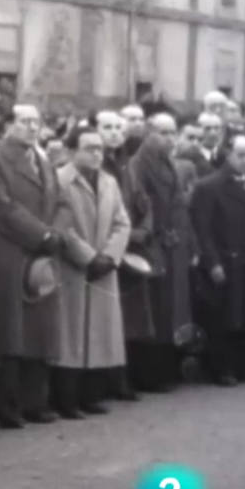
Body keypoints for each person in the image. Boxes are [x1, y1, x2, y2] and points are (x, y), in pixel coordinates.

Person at [0, 104, 66, 428]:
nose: (31, 128)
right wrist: (42, 234)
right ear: (8, 125)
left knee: (39, 329)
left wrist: (53, 234)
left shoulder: (43, 161)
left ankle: (35, 402)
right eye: (24, 122)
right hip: (8, 254)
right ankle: (6, 405)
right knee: (9, 333)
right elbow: (1, 208)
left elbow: (57, 202)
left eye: (36, 122)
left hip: (40, 255)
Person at [51, 126, 129, 418]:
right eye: (89, 148)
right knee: (71, 332)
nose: (97, 154)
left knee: (99, 331)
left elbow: (122, 222)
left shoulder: (109, 182)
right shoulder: (60, 181)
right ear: (72, 151)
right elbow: (61, 226)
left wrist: (109, 256)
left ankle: (90, 394)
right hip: (73, 267)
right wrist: (88, 257)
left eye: (100, 148)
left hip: (104, 267)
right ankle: (66, 398)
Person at [191, 135, 245, 385]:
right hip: (226, 260)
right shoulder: (209, 186)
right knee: (225, 318)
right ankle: (222, 369)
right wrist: (213, 263)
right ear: (227, 155)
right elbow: (203, 230)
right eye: (240, 155)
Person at [127, 111, 196, 392]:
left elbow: (179, 207)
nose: (169, 139)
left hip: (174, 245)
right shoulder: (138, 165)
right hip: (153, 244)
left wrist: (189, 242)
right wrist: (155, 235)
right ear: (149, 132)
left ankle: (167, 368)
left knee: (171, 309)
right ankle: (149, 374)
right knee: (154, 309)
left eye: (172, 133)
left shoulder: (168, 162)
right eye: (163, 133)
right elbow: (140, 205)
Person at [97, 110, 153, 402]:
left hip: (131, 251)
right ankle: (107, 381)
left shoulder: (128, 166)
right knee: (106, 319)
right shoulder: (96, 164)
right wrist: (126, 235)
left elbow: (144, 203)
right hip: (107, 249)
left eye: (119, 127)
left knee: (129, 321)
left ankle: (123, 379)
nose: (115, 132)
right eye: (107, 127)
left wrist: (144, 229)